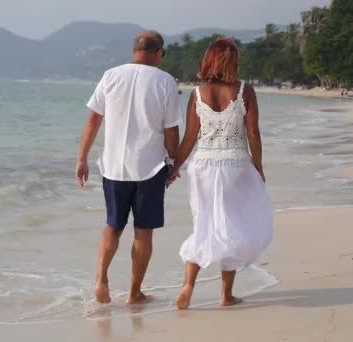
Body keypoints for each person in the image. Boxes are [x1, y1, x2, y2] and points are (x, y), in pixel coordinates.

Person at [165, 37, 273, 309]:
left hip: (203, 167)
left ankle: (188, 285)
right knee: (232, 228)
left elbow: (190, 138)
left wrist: (175, 166)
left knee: (203, 225)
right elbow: (253, 133)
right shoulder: (244, 90)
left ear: (209, 61)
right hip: (235, 166)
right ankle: (225, 295)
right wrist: (258, 165)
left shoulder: (197, 93)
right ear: (232, 61)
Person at [75, 31, 181, 305]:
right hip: (150, 167)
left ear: (135, 50)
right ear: (158, 53)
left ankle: (100, 280)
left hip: (113, 167)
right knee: (143, 232)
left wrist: (82, 158)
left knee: (112, 227)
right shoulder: (165, 81)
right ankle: (134, 294)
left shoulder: (110, 75)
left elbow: (93, 121)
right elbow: (171, 131)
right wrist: (175, 162)